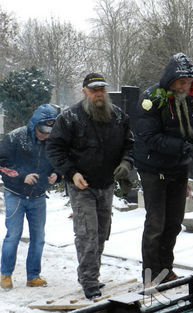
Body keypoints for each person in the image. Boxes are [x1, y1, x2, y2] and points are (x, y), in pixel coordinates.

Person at [46, 73, 134, 299]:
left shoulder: (118, 117)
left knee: (102, 232)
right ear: (85, 91)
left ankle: (91, 274)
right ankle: (89, 280)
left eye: (102, 89)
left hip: (106, 184)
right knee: (87, 233)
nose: (99, 94)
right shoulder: (69, 118)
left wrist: (126, 162)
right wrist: (71, 173)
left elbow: (130, 144)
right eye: (94, 90)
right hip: (81, 186)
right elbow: (54, 148)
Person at [133, 53, 193, 286]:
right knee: (156, 223)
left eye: (189, 83)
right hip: (153, 168)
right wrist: (186, 148)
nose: (185, 87)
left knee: (174, 222)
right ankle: (150, 274)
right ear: (170, 80)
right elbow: (151, 137)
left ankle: (166, 269)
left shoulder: (192, 99)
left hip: (177, 167)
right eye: (181, 82)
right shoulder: (151, 99)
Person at [0, 104, 59, 289]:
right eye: (43, 129)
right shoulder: (15, 137)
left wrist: (57, 174)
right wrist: (21, 176)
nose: (46, 133)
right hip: (15, 195)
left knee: (38, 237)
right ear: (35, 124)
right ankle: (5, 274)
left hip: (39, 196)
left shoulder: (52, 141)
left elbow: (60, 160)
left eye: (51, 129)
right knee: (13, 235)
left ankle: (33, 276)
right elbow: (2, 164)